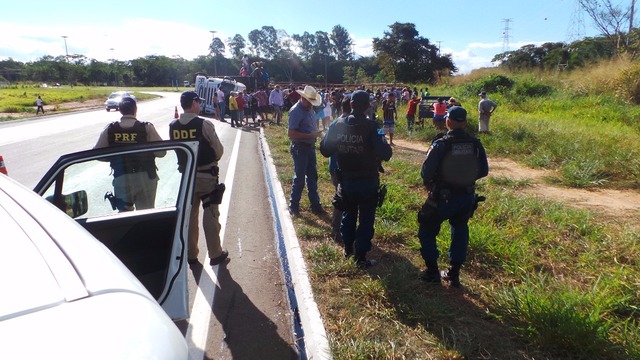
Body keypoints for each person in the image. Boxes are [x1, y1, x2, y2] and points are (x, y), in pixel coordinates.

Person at [417, 106, 489, 287]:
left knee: (426, 229)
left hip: (442, 198)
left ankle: (432, 271)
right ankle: (454, 273)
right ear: (464, 122)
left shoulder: (441, 144)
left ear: (448, 121)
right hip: (466, 197)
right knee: (460, 230)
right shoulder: (475, 143)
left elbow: (426, 173)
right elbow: (483, 171)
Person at [320, 90, 393, 267]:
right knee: (366, 219)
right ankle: (361, 256)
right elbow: (386, 153)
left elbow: (325, 150)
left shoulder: (337, 125)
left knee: (348, 214)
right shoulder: (373, 127)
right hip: (368, 180)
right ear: (368, 106)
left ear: (351, 105)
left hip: (346, 181)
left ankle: (348, 249)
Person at [169, 91, 228, 266]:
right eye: (199, 102)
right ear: (193, 103)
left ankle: (191, 255)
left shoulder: (173, 125)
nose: (200, 105)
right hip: (206, 176)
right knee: (210, 214)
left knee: (190, 216)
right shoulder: (204, 124)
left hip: (187, 177)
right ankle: (215, 253)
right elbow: (218, 151)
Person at [94, 96, 164, 211]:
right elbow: (161, 153)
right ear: (135, 109)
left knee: (125, 217)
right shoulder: (146, 128)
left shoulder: (110, 129)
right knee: (146, 216)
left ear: (120, 110)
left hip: (121, 177)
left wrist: (114, 158)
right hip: (146, 178)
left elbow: (98, 154)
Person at [287, 85, 325, 216]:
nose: (311, 105)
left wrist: (316, 134)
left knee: (312, 177)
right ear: (302, 98)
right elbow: (291, 133)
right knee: (299, 178)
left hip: (310, 148)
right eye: (309, 102)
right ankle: (294, 206)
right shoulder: (295, 111)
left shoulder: (309, 109)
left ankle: (315, 205)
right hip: (300, 148)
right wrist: (311, 136)